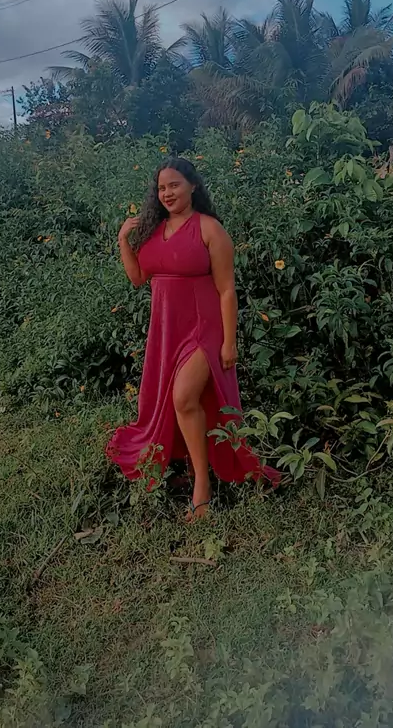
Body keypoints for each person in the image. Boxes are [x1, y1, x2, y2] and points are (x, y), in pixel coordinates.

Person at [106, 157, 278, 519]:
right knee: (184, 403)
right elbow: (138, 278)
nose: (167, 193)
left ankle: (203, 485)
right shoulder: (154, 230)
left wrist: (230, 342)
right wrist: (123, 239)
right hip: (168, 329)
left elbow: (227, 290)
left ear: (193, 186)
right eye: (161, 188)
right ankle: (192, 466)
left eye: (174, 185)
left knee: (183, 397)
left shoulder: (210, 228)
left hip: (204, 328)